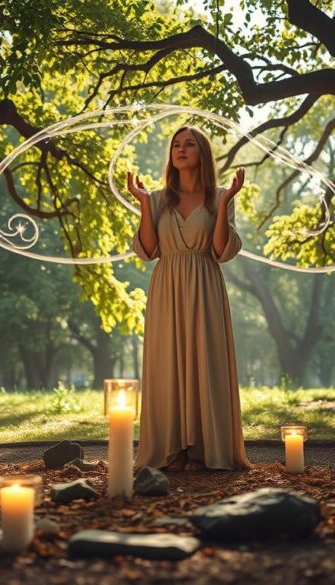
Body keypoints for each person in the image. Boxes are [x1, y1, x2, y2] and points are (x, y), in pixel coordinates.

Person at [127, 125, 252, 472]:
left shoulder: (219, 197)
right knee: (168, 362)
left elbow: (219, 250)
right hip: (166, 286)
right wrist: (141, 204)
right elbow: (149, 250)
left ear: (202, 154)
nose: (180, 150)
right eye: (176, 145)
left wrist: (225, 203)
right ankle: (172, 450)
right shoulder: (154, 198)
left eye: (189, 144)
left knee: (204, 360)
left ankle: (201, 450)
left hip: (205, 285)